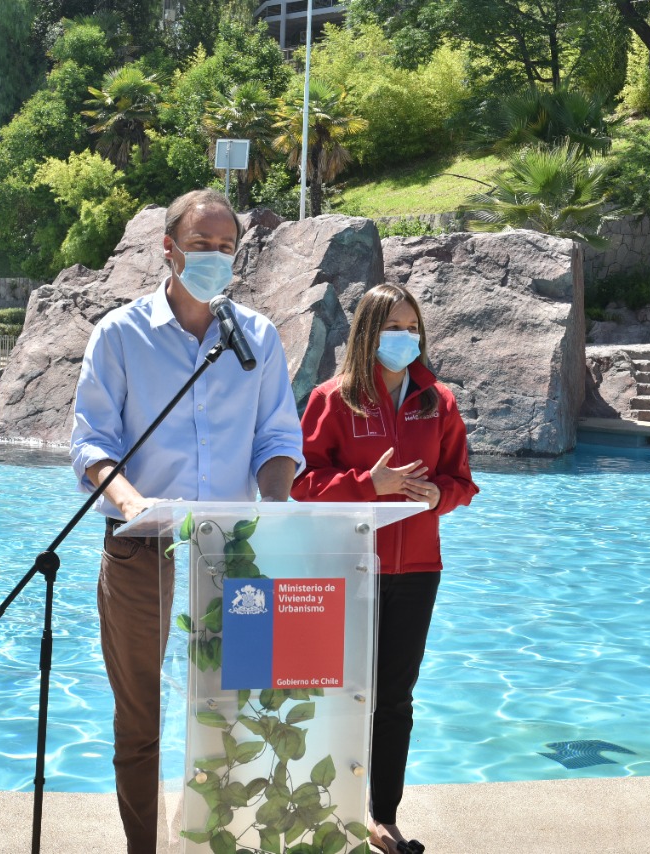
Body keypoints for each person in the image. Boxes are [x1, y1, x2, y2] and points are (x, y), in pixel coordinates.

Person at [70, 188, 304, 853]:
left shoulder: (255, 337)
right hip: (141, 547)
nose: (215, 258)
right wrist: (131, 502)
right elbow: (93, 443)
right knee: (140, 715)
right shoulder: (120, 334)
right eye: (201, 245)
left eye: (226, 247)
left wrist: (278, 503)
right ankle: (143, 848)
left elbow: (277, 441)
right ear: (167, 249)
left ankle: (217, 839)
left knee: (237, 709)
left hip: (238, 554)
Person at [290, 283, 478, 854]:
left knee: (395, 696)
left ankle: (384, 816)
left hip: (418, 569)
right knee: (336, 691)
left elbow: (463, 485)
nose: (405, 338)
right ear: (370, 333)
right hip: (348, 568)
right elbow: (300, 485)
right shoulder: (331, 399)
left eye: (412, 327)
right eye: (394, 328)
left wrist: (433, 498)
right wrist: (366, 485)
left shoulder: (437, 401)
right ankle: (325, 804)